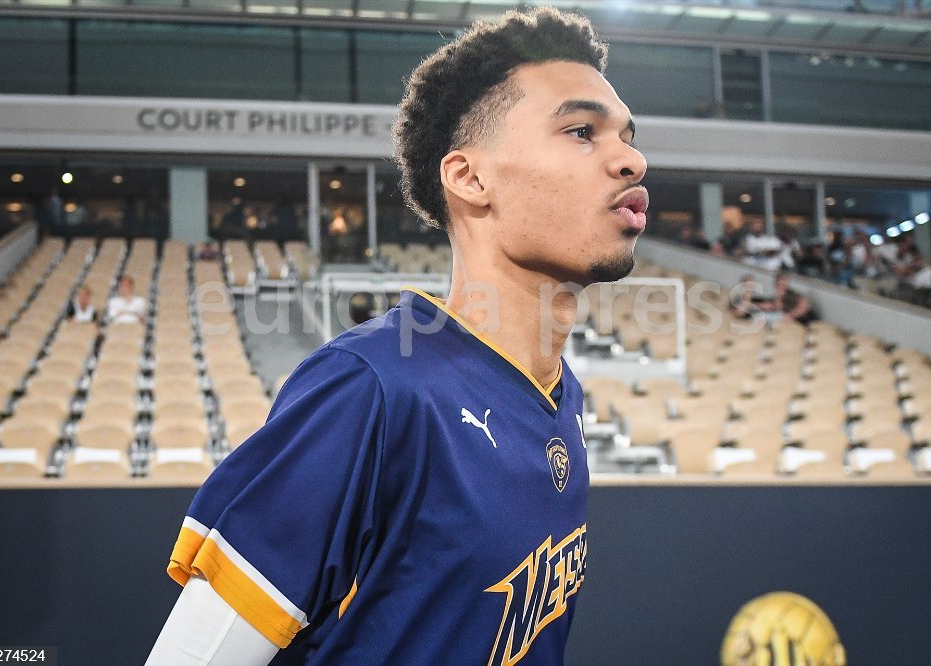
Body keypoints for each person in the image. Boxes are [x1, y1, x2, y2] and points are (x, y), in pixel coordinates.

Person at [146, 8, 647, 666]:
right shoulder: (371, 388)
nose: (631, 159)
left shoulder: (562, 394)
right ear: (469, 178)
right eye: (581, 131)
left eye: (627, 136)